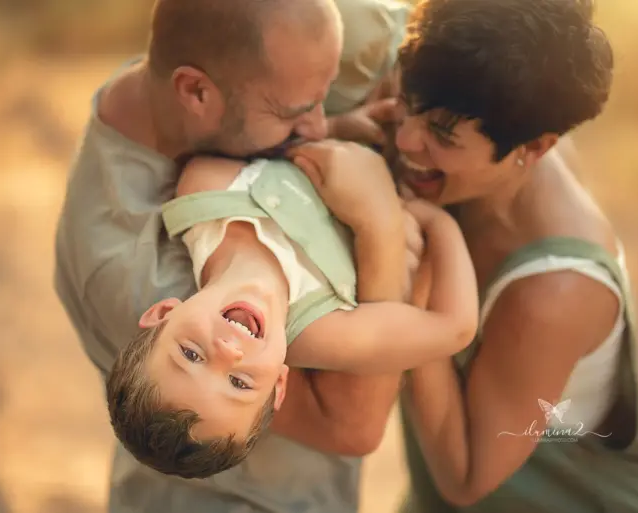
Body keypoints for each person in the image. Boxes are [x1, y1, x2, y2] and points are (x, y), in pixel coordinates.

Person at [53, 0, 412, 511]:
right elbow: (351, 427)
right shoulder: (136, 280)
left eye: (323, 101)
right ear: (195, 92)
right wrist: (381, 224)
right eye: (293, 112)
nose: (317, 125)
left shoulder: (237, 52)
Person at [371, 0, 638, 511]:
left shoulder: (553, 290)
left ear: (535, 148)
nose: (405, 137)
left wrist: (421, 296)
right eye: (408, 102)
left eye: (442, 135)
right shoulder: (470, 107)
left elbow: (468, 476)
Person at [105, 144, 478, 479]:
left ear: (163, 312)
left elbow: (272, 122)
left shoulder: (205, 190)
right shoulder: (329, 332)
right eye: (239, 383)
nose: (228, 352)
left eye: (191, 354)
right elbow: (454, 327)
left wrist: (339, 131)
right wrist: (433, 220)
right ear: (278, 386)